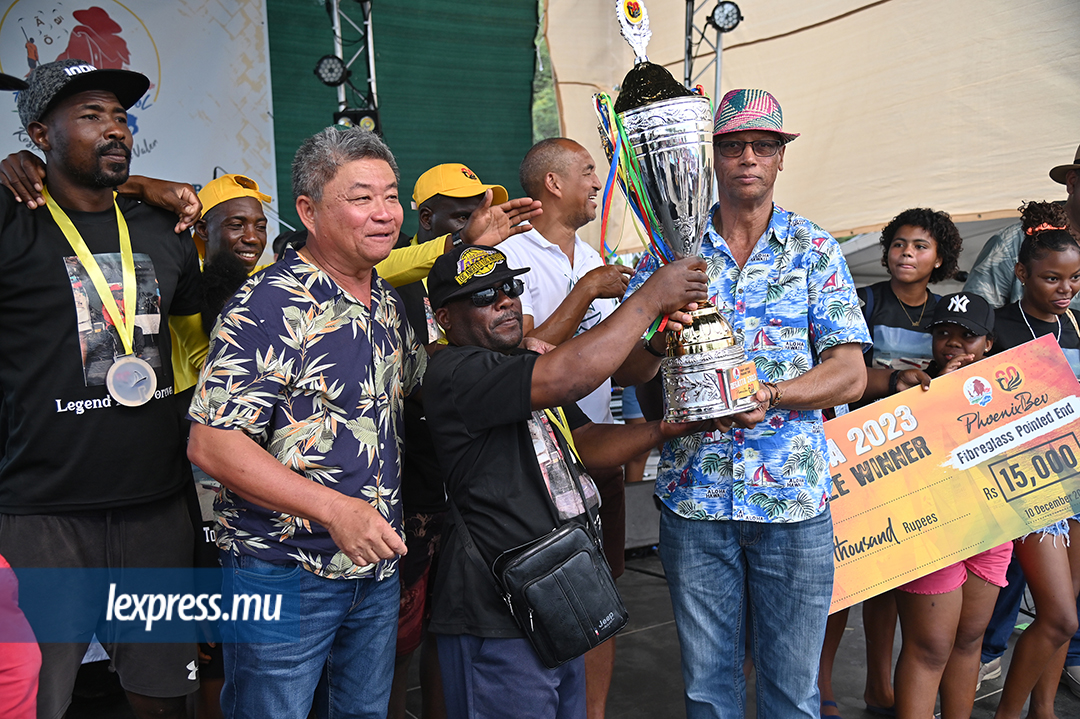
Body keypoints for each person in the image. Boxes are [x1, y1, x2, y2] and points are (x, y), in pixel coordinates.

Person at [185, 126, 539, 719]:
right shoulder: (268, 304)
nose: (384, 214)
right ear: (309, 210)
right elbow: (213, 444)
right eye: (360, 198)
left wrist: (530, 351)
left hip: (374, 568)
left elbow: (427, 384)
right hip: (282, 572)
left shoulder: (389, 303)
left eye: (391, 196)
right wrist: (335, 509)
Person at [615, 88, 871, 718]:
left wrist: (770, 393)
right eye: (732, 146)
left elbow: (849, 374)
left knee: (793, 689)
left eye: (763, 145)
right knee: (708, 689)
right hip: (695, 499)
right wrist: (655, 324)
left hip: (790, 501)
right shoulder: (669, 248)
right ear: (712, 157)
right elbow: (631, 369)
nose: (748, 158)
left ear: (782, 157)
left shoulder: (813, 248)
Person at [423, 243, 712, 719]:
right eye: (482, 296)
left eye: (509, 287)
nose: (504, 301)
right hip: (496, 610)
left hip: (556, 593)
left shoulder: (520, 364)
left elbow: (588, 444)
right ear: (445, 319)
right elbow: (571, 375)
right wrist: (649, 300)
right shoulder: (455, 371)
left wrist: (664, 430)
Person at [0, 58, 204, 718]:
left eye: (120, 116)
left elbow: (200, 313)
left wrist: (147, 186)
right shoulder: (13, 218)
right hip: (41, 512)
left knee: (164, 695)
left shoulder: (159, 227)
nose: (114, 128)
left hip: (156, 505)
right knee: (34, 696)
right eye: (90, 115)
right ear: (39, 132)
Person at [500, 137, 636, 717]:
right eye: (586, 172)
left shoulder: (593, 255)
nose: (596, 184)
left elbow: (614, 357)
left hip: (597, 445)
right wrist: (587, 293)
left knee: (602, 589)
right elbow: (526, 353)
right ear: (552, 184)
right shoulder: (512, 254)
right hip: (539, 459)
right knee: (549, 592)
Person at [819, 207, 964, 717]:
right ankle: (822, 688)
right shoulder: (863, 301)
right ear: (885, 251)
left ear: (940, 258)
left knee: (891, 576)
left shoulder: (952, 312)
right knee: (842, 581)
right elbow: (843, 372)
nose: (907, 253)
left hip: (922, 457)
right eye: (899, 244)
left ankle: (879, 687)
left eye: (920, 246)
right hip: (861, 454)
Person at [388, 163, 509, 719]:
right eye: (460, 214)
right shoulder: (392, 277)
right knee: (398, 639)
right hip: (408, 490)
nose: (475, 223)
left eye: (479, 211)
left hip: (467, 485)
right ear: (424, 216)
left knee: (453, 627)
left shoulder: (478, 278)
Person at [882, 292, 1012, 719]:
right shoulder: (909, 387)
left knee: (970, 639)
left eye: (968, 335)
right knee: (930, 646)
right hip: (930, 527)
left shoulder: (1012, 386)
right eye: (943, 333)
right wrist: (939, 391)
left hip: (991, 527)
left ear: (988, 343)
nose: (954, 343)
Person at [990, 201, 1080, 719]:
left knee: (1062, 610)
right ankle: (1010, 712)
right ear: (1022, 273)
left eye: (1073, 278)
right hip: (1028, 488)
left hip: (1075, 483)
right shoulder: (999, 328)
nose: (1065, 289)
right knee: (1061, 617)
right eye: (1051, 278)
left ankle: (1042, 709)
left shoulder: (1078, 327)